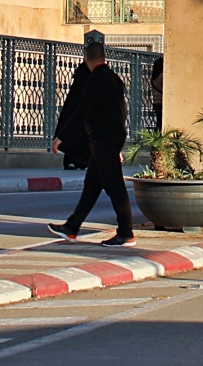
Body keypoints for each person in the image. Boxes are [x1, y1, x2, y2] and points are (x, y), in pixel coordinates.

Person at [53, 30, 133, 245]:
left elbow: (81, 111)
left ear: (87, 59)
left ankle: (126, 232)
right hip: (113, 137)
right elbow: (121, 112)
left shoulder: (94, 80)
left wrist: (61, 137)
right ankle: (72, 227)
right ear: (104, 58)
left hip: (102, 139)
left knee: (115, 186)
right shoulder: (115, 80)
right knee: (92, 186)